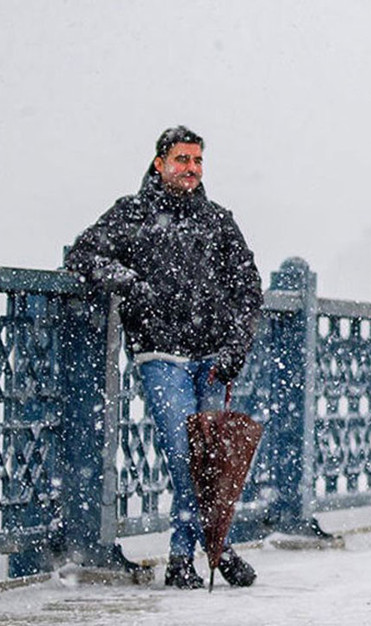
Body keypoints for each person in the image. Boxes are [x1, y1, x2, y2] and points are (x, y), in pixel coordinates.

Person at [65, 126, 263, 590]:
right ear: (160, 163)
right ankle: (211, 550)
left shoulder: (217, 221)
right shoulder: (131, 214)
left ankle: (188, 557)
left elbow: (247, 287)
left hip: (212, 357)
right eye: (182, 160)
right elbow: (84, 254)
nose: (190, 169)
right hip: (160, 355)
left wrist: (236, 347)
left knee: (210, 462)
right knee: (184, 457)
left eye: (197, 161)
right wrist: (132, 284)